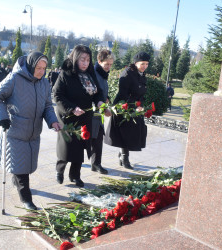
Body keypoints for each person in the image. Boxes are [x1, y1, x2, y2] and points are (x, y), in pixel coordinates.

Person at [0, 52, 62, 210]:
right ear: (30, 65)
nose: (42, 72)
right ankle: (26, 198)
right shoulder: (15, 78)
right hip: (15, 130)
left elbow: (48, 106)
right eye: (38, 68)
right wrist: (2, 117)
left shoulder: (43, 83)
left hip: (33, 132)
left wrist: (53, 121)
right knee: (20, 167)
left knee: (25, 165)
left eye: (44, 68)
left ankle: (17, 182)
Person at [53, 45, 106, 187]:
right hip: (68, 116)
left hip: (84, 116)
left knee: (81, 145)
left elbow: (97, 92)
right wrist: (71, 109)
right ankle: (60, 170)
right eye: (82, 59)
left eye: (88, 60)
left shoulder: (90, 73)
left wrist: (100, 101)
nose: (85, 63)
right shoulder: (66, 74)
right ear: (75, 58)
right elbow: (57, 95)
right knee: (67, 145)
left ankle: (75, 175)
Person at [104, 51, 150, 170]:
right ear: (135, 63)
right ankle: (124, 157)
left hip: (136, 108)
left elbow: (142, 93)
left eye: (146, 64)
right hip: (124, 107)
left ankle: (122, 155)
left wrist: (141, 105)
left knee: (133, 134)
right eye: (142, 64)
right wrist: (133, 106)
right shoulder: (127, 73)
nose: (144, 67)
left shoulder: (141, 74)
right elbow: (124, 93)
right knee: (125, 134)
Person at [90, 49, 114, 174]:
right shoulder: (94, 73)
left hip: (98, 111)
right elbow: (93, 92)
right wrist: (103, 107)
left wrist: (106, 97)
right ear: (99, 61)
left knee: (98, 138)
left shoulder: (103, 74)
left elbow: (102, 90)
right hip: (91, 111)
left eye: (111, 64)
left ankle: (96, 164)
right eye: (107, 64)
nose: (109, 67)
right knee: (91, 138)